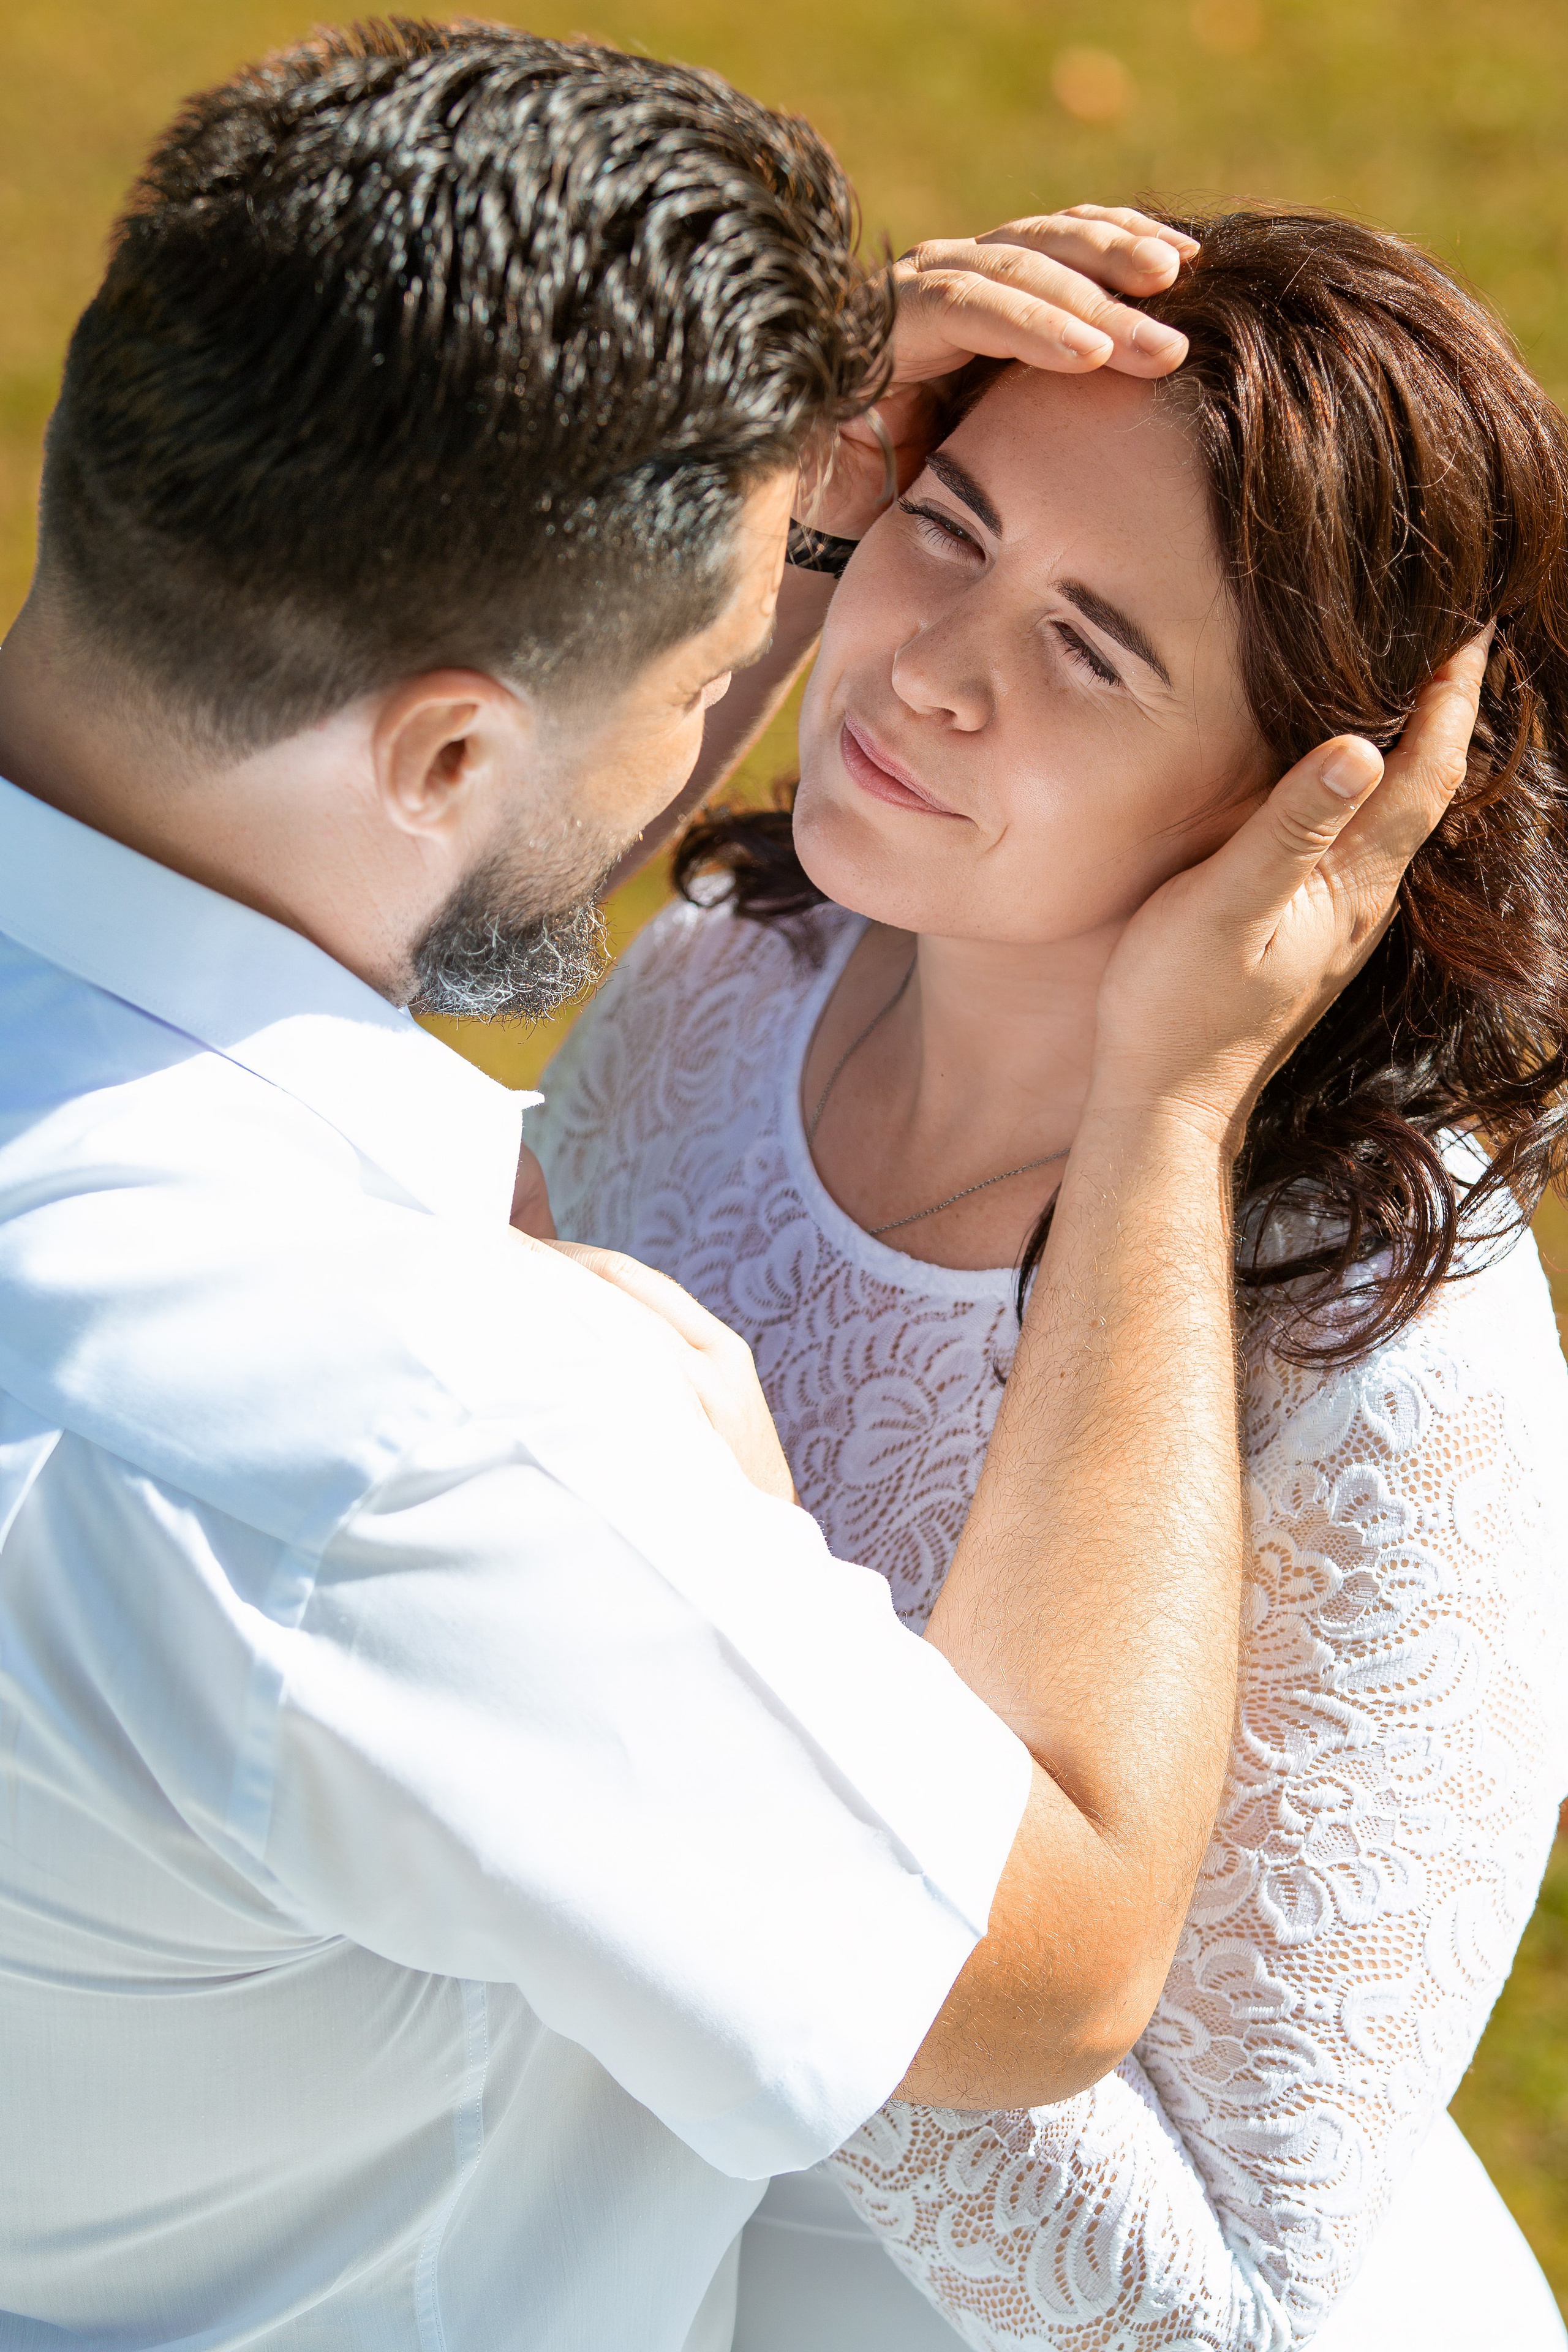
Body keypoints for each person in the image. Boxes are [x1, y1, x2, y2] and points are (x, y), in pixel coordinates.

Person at [0, 21, 1481, 2344]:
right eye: (721, 658)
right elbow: (1048, 1955)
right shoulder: (427, 1428)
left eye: (1083, 640)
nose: (848, 663)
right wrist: (1166, 1107)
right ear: (452, 750)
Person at [533, 209, 1568, 2349]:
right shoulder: (730, 983)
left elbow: (1234, 2313)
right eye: (947, 526)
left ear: (1314, 801)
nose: (929, 666)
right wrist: (791, 506)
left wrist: (731, 1669)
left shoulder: (1375, 1346)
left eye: (1092, 650)